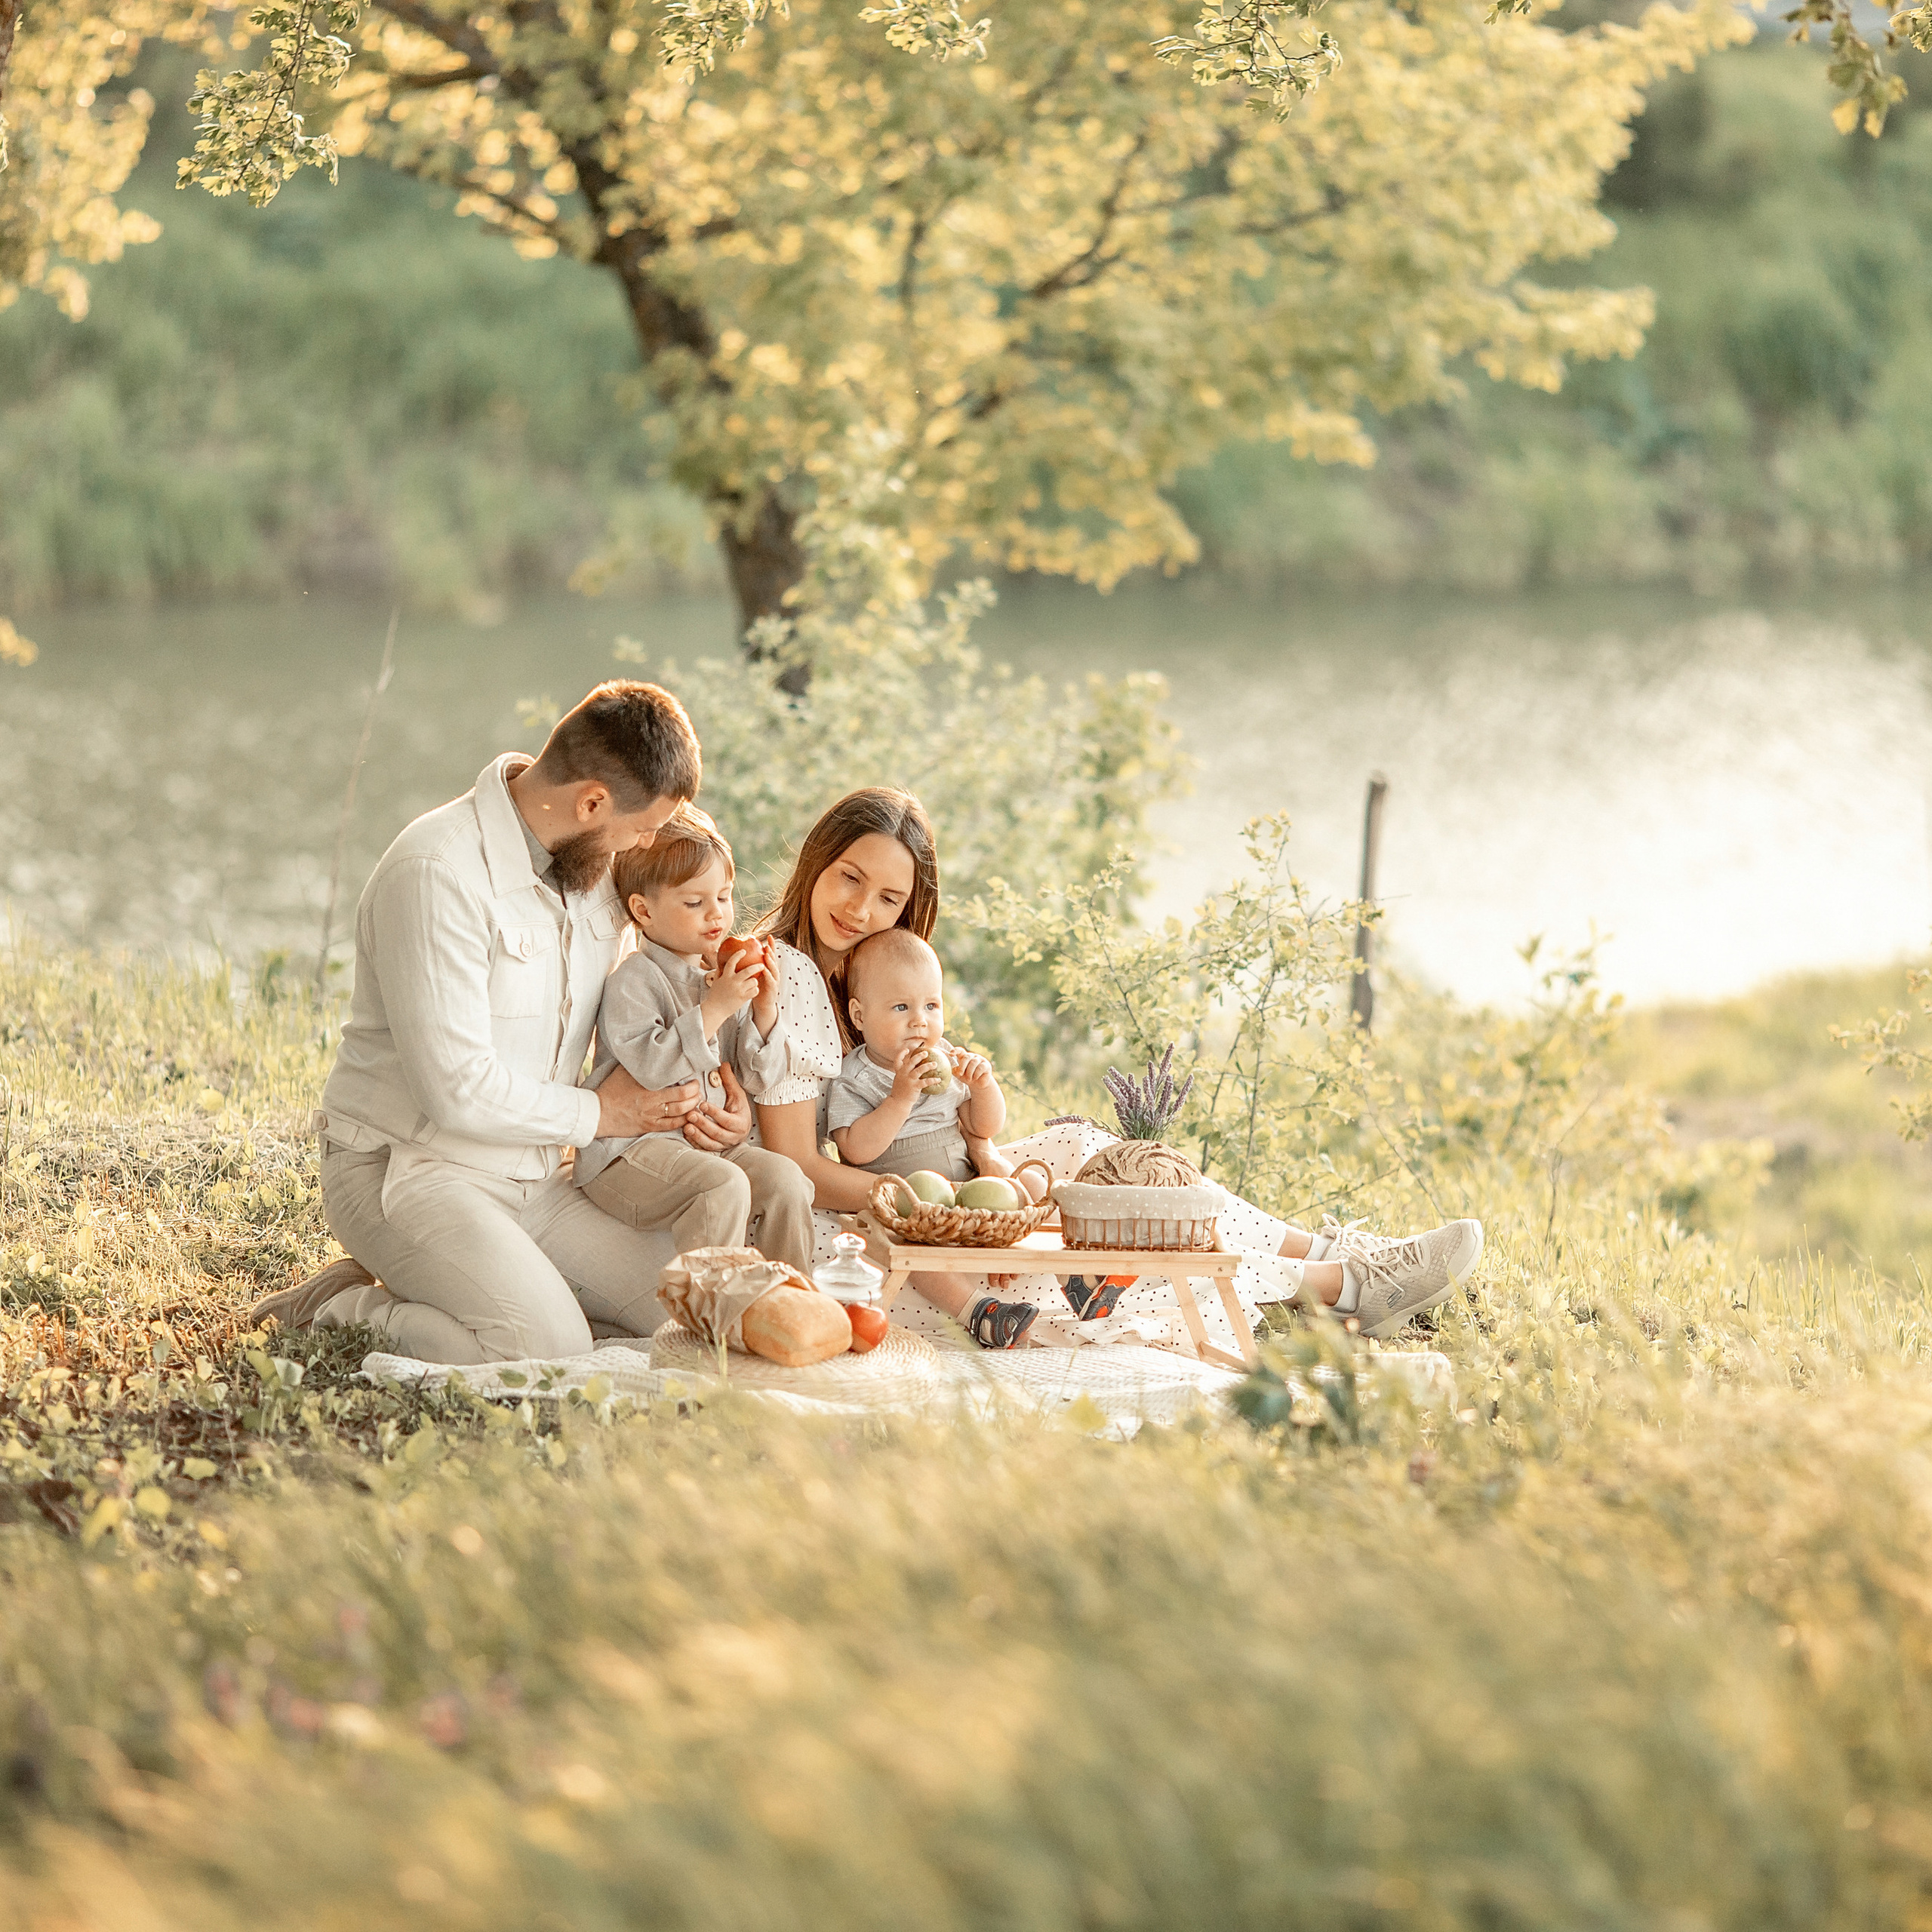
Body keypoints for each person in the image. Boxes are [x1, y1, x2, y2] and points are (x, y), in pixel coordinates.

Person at [746, 787, 1485, 1350]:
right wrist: (949, 1209)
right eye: (848, 877)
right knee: (1072, 1260)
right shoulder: (788, 976)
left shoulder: (887, 982)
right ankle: (1341, 1286)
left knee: (1086, 1153)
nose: (861, 908)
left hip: (924, 1186)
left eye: (889, 897)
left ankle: (1331, 1250)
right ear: (817, 860)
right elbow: (799, 1166)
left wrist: (984, 1136)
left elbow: (957, 1122)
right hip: (850, 1226)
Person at [249, 680, 753, 1364]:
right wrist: (604, 1115)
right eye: (646, 827)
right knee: (544, 1349)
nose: (651, 840)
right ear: (591, 802)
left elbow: (660, 973)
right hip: (409, 1169)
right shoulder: (437, 872)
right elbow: (456, 1090)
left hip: (537, 1178)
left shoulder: (595, 859)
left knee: (673, 1311)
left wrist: (721, 1100)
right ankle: (347, 1309)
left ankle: (475, 1289)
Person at [574, 804, 815, 1273]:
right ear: (643, 910)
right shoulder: (633, 981)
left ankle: (793, 1309)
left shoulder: (717, 977)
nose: (717, 915)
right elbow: (653, 1069)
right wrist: (717, 1007)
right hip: (626, 1156)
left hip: (699, 1146)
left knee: (786, 1178)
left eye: (724, 897)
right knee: (722, 1185)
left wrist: (764, 1009)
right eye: (695, 902)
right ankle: (711, 1329)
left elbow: (757, 1077)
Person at [827, 926, 1027, 1343]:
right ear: (860, 1015)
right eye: (901, 1007)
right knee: (907, 1251)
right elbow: (855, 1150)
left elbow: (984, 1128)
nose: (920, 1020)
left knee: (1030, 1181)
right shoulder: (855, 1077)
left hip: (963, 1189)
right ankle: (981, 1314)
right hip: (911, 1206)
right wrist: (899, 1099)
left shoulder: (947, 1060)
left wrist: (983, 1086)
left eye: (931, 1005)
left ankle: (1067, 1273)